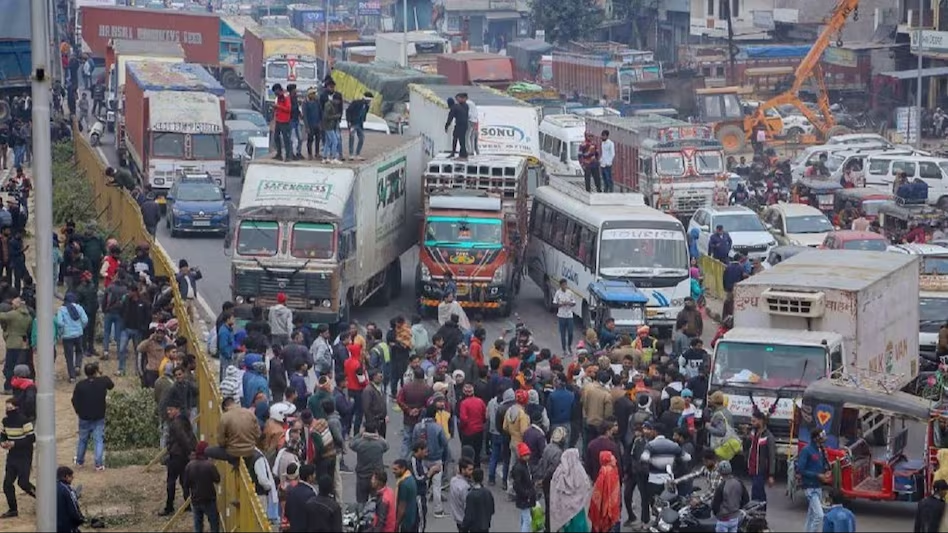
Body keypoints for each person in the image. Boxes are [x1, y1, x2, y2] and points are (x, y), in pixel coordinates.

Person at [71, 362, 114, 471]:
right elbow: (111, 385)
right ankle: (98, 464)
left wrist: (78, 411)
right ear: (96, 371)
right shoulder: (102, 381)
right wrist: (101, 374)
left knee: (82, 440)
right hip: (99, 416)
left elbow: (74, 400)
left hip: (84, 416)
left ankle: (79, 461)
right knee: (98, 440)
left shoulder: (80, 385)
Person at [0, 397, 34, 518]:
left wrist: (15, 443)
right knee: (7, 484)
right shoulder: (5, 421)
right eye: (7, 408)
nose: (8, 410)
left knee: (23, 483)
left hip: (24, 455)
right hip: (12, 456)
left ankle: (44, 500)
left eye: (10, 408)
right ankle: (13, 510)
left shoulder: (25, 421)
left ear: (17, 408)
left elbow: (31, 438)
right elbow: (3, 435)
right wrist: (3, 443)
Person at [796, 427, 832, 533]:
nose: (825, 438)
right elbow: (800, 469)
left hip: (818, 486)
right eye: (822, 436)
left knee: (811, 516)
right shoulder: (806, 450)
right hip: (810, 487)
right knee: (819, 515)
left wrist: (826, 472)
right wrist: (817, 475)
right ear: (816, 438)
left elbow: (823, 465)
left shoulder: (820, 450)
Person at [550, 448, 591, 532]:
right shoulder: (579, 470)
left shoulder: (559, 472)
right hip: (578, 509)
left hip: (564, 510)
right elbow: (586, 486)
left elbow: (554, 490)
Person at [184, 441, 222, 533]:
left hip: (195, 499)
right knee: (214, 524)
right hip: (209, 499)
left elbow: (186, 484)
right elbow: (217, 479)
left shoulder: (190, 466)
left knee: (198, 525)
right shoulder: (209, 465)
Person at [351, 419, 389, 504]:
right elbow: (387, 446)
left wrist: (360, 434)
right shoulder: (380, 443)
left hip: (362, 476)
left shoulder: (359, 443)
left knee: (361, 502)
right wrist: (378, 436)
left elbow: (351, 444)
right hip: (376, 477)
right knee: (376, 502)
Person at [56, 292, 89, 383]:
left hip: (67, 336)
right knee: (79, 351)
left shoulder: (61, 309)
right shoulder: (79, 308)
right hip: (78, 334)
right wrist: (81, 328)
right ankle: (78, 366)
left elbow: (59, 322)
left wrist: (61, 332)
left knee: (69, 357)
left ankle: (72, 377)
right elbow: (85, 320)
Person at [745, 411, 775, 504]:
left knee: (757, 492)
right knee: (758, 492)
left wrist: (771, 475)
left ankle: (760, 511)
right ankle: (759, 512)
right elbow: (745, 447)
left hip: (761, 469)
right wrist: (745, 435)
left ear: (761, 421)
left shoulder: (768, 436)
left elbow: (772, 456)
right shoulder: (752, 433)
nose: (752, 423)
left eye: (754, 421)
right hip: (752, 467)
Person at [711, 460, 748, 533]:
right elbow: (746, 499)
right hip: (735, 517)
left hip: (723, 519)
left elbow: (715, 504)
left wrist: (717, 514)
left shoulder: (721, 486)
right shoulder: (739, 482)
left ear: (720, 472)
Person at [589, 451, 621, 533]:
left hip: (604, 506)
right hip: (614, 506)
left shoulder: (604, 472)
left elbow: (598, 492)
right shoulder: (613, 470)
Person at [511, 442, 536, 533]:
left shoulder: (523, 465)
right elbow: (517, 485)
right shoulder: (520, 467)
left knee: (524, 517)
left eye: (528, 454)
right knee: (527, 520)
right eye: (525, 455)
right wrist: (526, 494)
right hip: (525, 497)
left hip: (525, 496)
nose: (527, 456)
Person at [462, 468, 494, 533]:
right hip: (485, 526)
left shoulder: (471, 495)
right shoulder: (487, 492)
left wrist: (464, 527)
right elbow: (492, 509)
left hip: (475, 527)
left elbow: (468, 514)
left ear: (472, 478)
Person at [393, 459, 419, 532]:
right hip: (413, 517)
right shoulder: (410, 478)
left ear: (403, 468)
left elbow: (402, 507)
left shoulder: (404, 484)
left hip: (406, 520)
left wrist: (396, 523)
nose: (393, 471)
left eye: (396, 469)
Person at [56, 466, 84, 533]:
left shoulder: (51, 487)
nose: (72, 478)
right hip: (67, 527)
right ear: (66, 477)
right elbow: (74, 510)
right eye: (71, 476)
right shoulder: (68, 490)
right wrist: (80, 519)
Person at [449, 457, 474, 532]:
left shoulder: (453, 481)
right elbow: (467, 506)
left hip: (457, 517)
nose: (472, 472)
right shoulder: (465, 487)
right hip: (465, 519)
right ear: (463, 470)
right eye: (469, 470)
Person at [346, 92, 372, 160]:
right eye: (369, 100)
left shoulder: (367, 106)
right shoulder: (356, 103)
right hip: (353, 123)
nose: (370, 102)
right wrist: (349, 121)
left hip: (360, 124)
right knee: (352, 137)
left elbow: (364, 113)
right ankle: (351, 154)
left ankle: (358, 154)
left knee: (361, 138)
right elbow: (348, 111)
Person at [553, 278, 576, 354]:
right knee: (562, 333)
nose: (564, 286)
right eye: (563, 285)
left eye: (565, 284)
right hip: (561, 315)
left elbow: (574, 303)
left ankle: (569, 345)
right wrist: (561, 304)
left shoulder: (570, 292)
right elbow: (555, 304)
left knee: (570, 332)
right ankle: (564, 349)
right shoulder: (558, 293)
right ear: (560, 285)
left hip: (569, 315)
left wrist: (569, 303)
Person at [272, 84, 293, 161]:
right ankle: (279, 154)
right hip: (278, 120)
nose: (275, 93)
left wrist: (278, 107)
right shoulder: (278, 97)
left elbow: (288, 109)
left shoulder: (285, 97)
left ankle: (288, 156)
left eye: (275, 91)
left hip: (285, 121)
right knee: (276, 137)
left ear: (278, 90)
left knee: (286, 139)